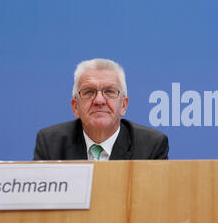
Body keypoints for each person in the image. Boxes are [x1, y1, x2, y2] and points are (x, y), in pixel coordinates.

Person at [34, 58, 169, 160]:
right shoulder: (51, 144)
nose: (99, 100)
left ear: (123, 105)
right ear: (75, 107)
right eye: (89, 92)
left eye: (109, 91)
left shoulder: (151, 146)